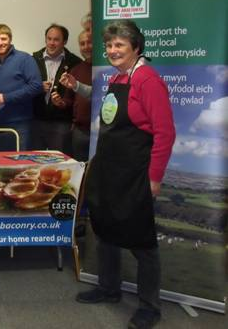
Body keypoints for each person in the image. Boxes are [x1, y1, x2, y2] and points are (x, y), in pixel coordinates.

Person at [75, 21, 175, 329]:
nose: (112, 50)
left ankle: (149, 306)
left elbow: (165, 133)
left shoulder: (148, 80)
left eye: (119, 45)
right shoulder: (118, 78)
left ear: (136, 47)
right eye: (109, 45)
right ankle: (109, 288)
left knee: (142, 241)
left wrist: (154, 178)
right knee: (105, 229)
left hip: (134, 174)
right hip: (109, 170)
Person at [0, 24, 42, 151]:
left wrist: (6, 97)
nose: (0, 43)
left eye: (3, 39)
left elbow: (36, 86)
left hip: (20, 124)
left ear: (10, 39)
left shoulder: (24, 58)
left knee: (18, 165)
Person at [32, 23, 82, 153]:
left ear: (64, 41)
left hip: (62, 123)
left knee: (61, 165)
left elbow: (78, 95)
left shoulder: (75, 62)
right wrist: (38, 87)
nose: (52, 43)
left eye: (56, 39)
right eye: (49, 39)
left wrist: (62, 102)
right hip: (37, 120)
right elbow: (25, 87)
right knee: (35, 164)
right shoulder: (33, 59)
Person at [55, 30, 93, 161]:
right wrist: (61, 103)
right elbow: (69, 100)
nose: (86, 46)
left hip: (101, 133)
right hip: (80, 132)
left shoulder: (106, 68)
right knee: (80, 172)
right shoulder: (76, 69)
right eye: (82, 44)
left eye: (89, 42)